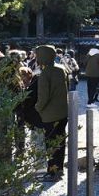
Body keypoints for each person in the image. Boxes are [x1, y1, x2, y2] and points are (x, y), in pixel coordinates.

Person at [34, 44, 69, 181]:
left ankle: (52, 172)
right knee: (60, 143)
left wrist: (37, 108)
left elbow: (43, 97)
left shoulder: (45, 73)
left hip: (50, 114)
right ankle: (59, 169)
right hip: (63, 112)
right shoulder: (61, 69)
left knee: (51, 145)